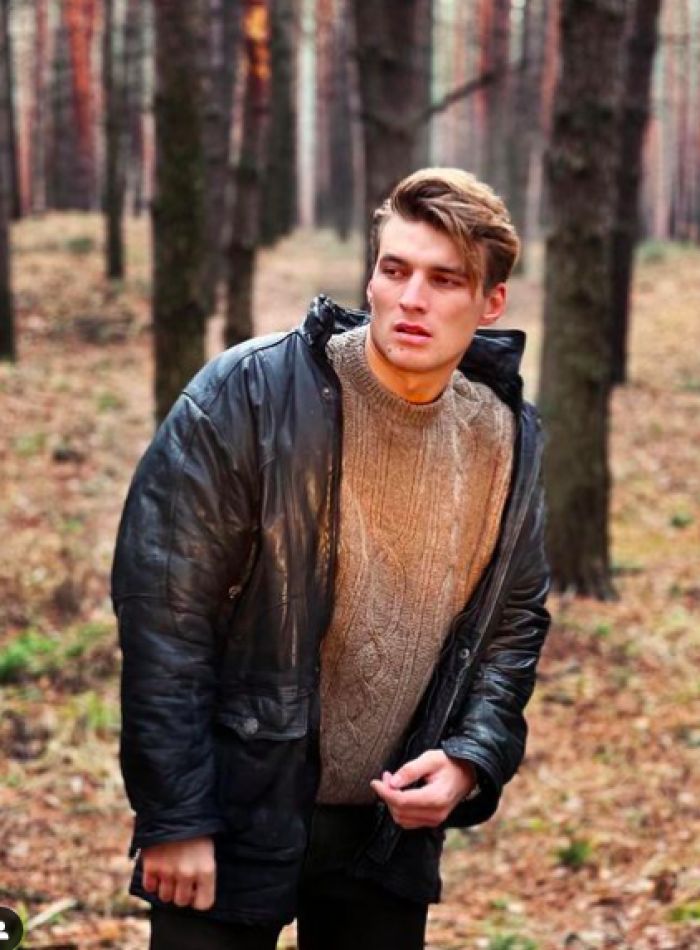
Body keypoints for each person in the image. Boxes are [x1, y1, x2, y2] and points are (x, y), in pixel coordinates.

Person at [112, 167, 551, 950]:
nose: (411, 298)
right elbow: (165, 618)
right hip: (234, 807)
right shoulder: (250, 394)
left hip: (384, 835)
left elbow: (513, 623)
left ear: (491, 304)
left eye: (444, 279)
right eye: (395, 269)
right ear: (371, 277)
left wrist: (468, 759)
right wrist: (174, 816)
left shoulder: (505, 435)